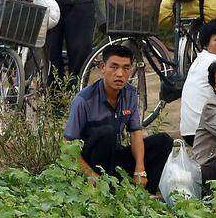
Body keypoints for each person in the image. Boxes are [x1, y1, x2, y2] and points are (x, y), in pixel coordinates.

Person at [63, 45, 172, 193]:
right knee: (106, 133)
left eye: (126, 68)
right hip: (91, 162)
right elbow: (67, 146)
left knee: (163, 141)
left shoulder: (130, 94)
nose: (120, 74)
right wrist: (91, 175)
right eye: (114, 67)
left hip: (114, 156)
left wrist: (140, 169)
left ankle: (145, 194)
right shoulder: (84, 100)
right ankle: (108, 192)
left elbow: (135, 133)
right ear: (102, 67)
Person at [180, 18, 216, 146]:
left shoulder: (200, 59)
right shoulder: (215, 63)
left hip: (188, 132)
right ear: (206, 43)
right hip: (206, 132)